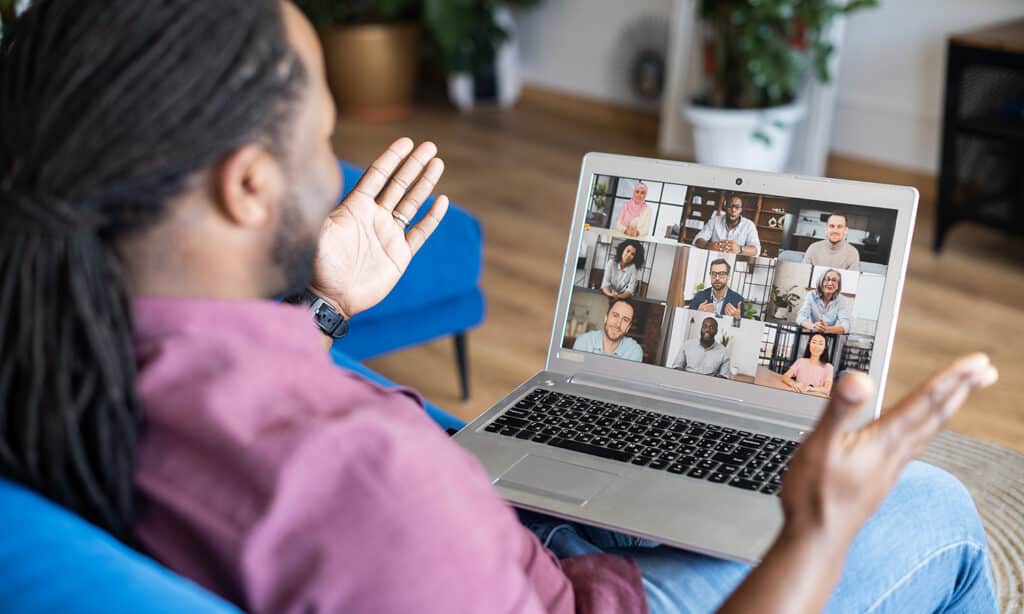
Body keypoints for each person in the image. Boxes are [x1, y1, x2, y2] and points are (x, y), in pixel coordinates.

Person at [0, 2, 1001, 613]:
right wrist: (817, 529)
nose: (333, 164)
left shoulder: (46, 341)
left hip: (493, 529)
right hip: (558, 587)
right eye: (322, 137)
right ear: (248, 185)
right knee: (935, 508)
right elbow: (361, 500)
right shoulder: (365, 479)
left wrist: (322, 308)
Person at [572, 299, 644, 362]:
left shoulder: (634, 351)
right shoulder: (584, 341)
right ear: (606, 318)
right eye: (615, 315)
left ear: (628, 327)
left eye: (625, 320)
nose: (618, 324)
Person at [693, 194, 761, 256]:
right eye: (730, 206)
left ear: (741, 210)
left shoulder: (749, 225)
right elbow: (697, 239)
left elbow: (756, 250)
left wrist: (740, 249)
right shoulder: (714, 220)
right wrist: (709, 246)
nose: (733, 210)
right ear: (725, 207)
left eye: (737, 207)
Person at [797, 269, 851, 335]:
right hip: (811, 334)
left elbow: (846, 325)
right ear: (821, 282)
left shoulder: (841, 300)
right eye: (827, 279)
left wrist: (826, 329)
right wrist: (813, 326)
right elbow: (800, 317)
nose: (830, 283)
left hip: (828, 336)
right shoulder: (811, 295)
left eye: (834, 280)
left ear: (838, 286)